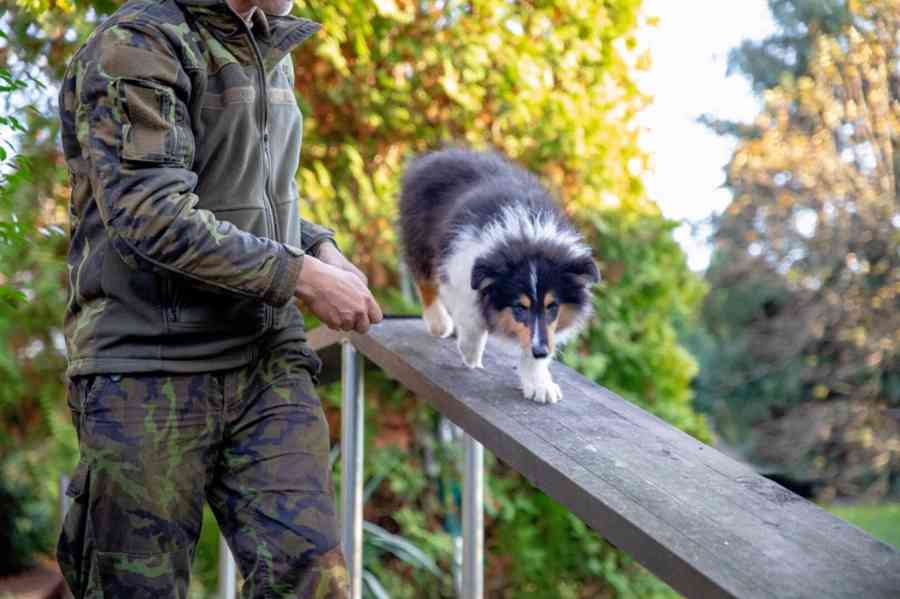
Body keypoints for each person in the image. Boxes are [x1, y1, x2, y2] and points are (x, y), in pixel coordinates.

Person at [56, 0, 382, 596]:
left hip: (265, 361)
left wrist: (319, 246)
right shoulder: (139, 43)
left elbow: (244, 188)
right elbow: (152, 213)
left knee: (315, 582)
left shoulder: (266, 43)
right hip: (149, 369)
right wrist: (304, 277)